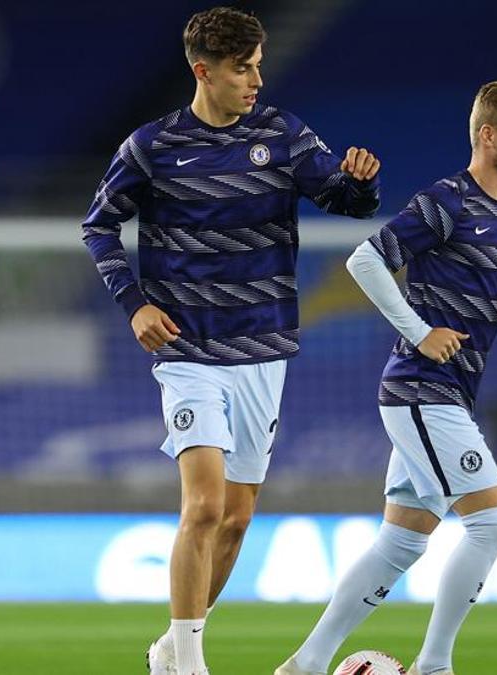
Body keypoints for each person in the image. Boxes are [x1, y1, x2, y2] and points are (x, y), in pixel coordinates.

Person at [79, 8, 380, 674]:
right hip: (188, 352)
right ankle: (189, 661)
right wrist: (135, 305)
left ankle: (169, 646)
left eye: (259, 64)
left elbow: (344, 198)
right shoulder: (151, 147)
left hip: (263, 349)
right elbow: (99, 227)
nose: (255, 79)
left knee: (238, 517)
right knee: (206, 501)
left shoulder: (282, 133)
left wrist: (360, 181)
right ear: (203, 70)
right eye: (242, 68)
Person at [276, 81, 497, 675]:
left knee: (403, 540)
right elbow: (366, 259)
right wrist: (420, 328)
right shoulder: (447, 200)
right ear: (489, 135)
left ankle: (306, 664)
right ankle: (434, 666)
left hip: (446, 396)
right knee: (492, 524)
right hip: (422, 390)